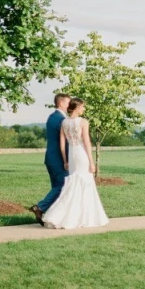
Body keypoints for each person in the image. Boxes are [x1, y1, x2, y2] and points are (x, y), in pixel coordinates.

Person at [42, 97, 109, 229]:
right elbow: (87, 143)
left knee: (73, 184)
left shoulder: (64, 122)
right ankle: (84, 217)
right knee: (85, 183)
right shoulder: (83, 122)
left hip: (72, 157)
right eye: (83, 107)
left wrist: (66, 160)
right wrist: (91, 161)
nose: (84, 109)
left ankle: (62, 215)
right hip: (81, 155)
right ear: (77, 107)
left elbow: (62, 145)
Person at [29, 92, 70, 225]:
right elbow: (65, 142)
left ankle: (53, 216)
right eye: (68, 102)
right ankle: (40, 207)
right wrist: (68, 160)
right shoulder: (60, 119)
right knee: (63, 186)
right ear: (61, 103)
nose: (70, 105)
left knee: (57, 187)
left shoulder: (53, 117)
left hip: (51, 158)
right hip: (57, 158)